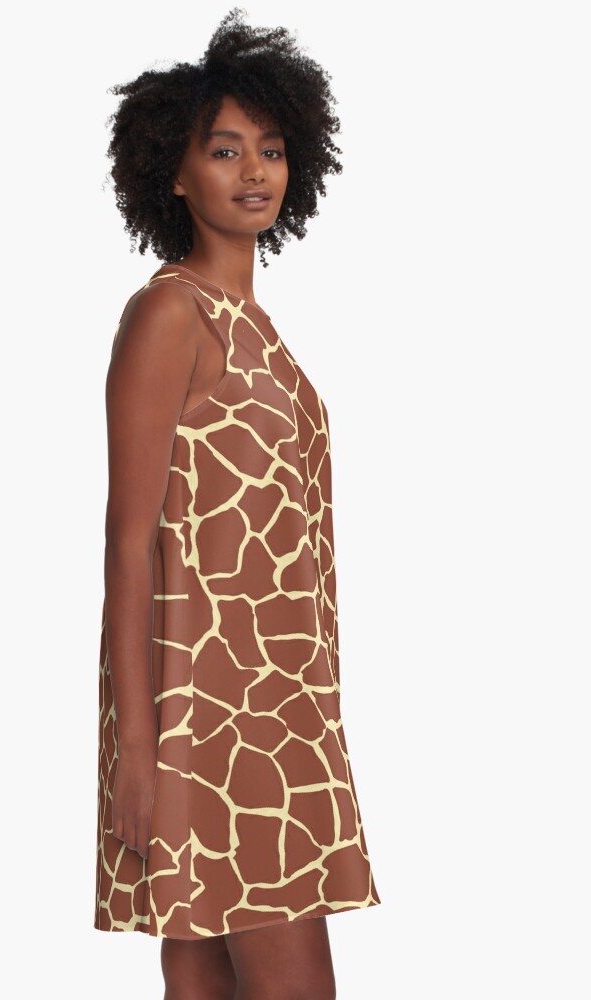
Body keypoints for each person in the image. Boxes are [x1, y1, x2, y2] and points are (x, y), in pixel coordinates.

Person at [94, 9, 381, 998]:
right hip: (208, 719)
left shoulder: (257, 328)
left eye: (272, 149)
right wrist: (137, 755)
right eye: (224, 150)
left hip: (278, 708)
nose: (254, 171)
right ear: (174, 173)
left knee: (206, 976)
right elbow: (128, 544)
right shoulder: (170, 313)